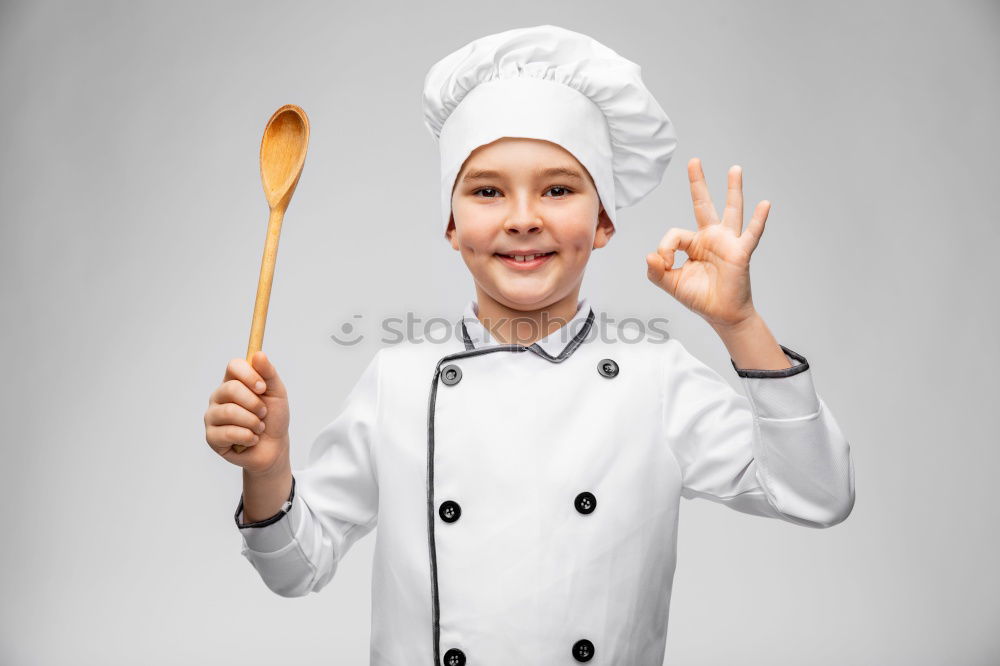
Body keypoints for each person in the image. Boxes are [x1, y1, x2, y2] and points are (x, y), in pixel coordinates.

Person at [203, 24, 855, 666]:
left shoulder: (656, 380)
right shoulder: (398, 379)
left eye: (559, 189)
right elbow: (296, 569)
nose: (522, 217)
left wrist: (740, 324)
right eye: (487, 190)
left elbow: (818, 494)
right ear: (452, 224)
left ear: (603, 221)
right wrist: (266, 468)